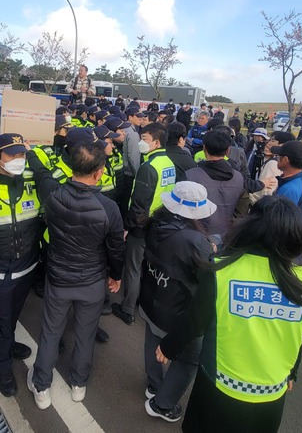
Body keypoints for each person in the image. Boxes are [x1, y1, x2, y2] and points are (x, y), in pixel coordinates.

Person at [156, 196, 302, 432]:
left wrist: (168, 347)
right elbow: (299, 334)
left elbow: (195, 321)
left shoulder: (222, 270)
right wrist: (293, 371)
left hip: (220, 387)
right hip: (272, 394)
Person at [27, 143, 125, 408]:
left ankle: (41, 386)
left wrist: (30, 149)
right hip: (92, 282)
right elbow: (116, 249)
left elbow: (40, 172)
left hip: (58, 278)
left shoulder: (52, 194)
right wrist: (115, 275)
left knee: (50, 332)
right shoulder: (109, 208)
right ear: (99, 173)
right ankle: (78, 384)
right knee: (85, 334)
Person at [139, 182, 217, 422]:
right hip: (179, 310)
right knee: (189, 358)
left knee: (153, 337)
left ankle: (154, 384)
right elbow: (206, 281)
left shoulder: (155, 224)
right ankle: (162, 404)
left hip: (152, 299)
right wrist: (212, 252)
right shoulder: (195, 241)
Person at [0, 134, 43, 396]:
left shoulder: (30, 180)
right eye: (13, 156)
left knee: (13, 315)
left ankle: (8, 344)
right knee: (1, 319)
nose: (19, 160)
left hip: (27, 266)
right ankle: (2, 365)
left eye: (22, 155)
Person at [113, 123, 177, 325]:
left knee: (133, 268)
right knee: (147, 267)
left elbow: (139, 204)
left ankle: (127, 309)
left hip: (142, 226)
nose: (141, 142)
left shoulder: (148, 168)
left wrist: (127, 227)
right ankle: (141, 301)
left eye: (145, 139)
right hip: (159, 223)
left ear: (157, 143)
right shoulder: (168, 163)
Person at [186, 130, 244, 247]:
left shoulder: (190, 175)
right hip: (227, 237)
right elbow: (241, 211)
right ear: (228, 150)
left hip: (195, 238)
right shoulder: (239, 177)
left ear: (204, 148)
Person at [270, 141, 302, 219]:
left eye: (278, 156)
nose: (276, 158)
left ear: (285, 160)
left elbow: (278, 221)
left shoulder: (289, 189)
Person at [249, 130, 295, 203]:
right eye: (269, 140)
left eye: (272, 141)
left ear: (282, 145)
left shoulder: (273, 164)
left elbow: (264, 192)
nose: (268, 144)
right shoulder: (286, 164)